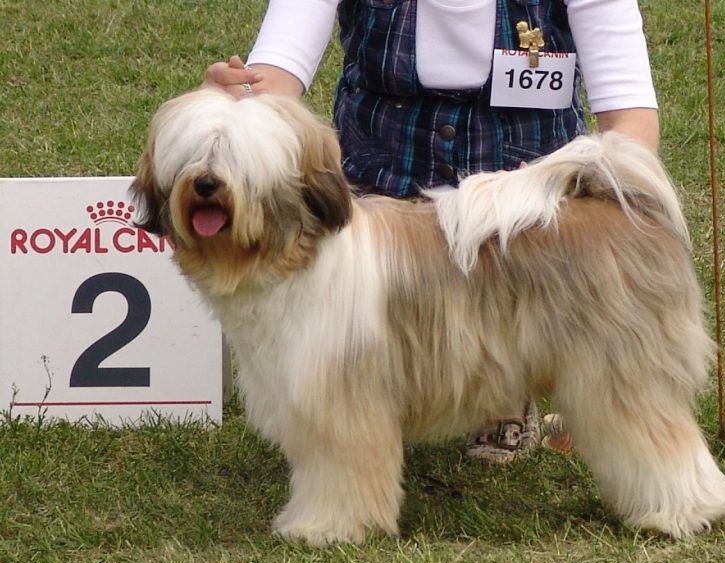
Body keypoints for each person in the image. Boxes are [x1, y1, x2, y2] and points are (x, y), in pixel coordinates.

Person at [206, 0, 660, 464]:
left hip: (522, 222)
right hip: (380, 197)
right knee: (347, 274)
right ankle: (361, 388)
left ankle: (505, 383)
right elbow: (274, 79)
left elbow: (631, 127)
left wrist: (558, 194)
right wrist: (242, 101)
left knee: (511, 269)